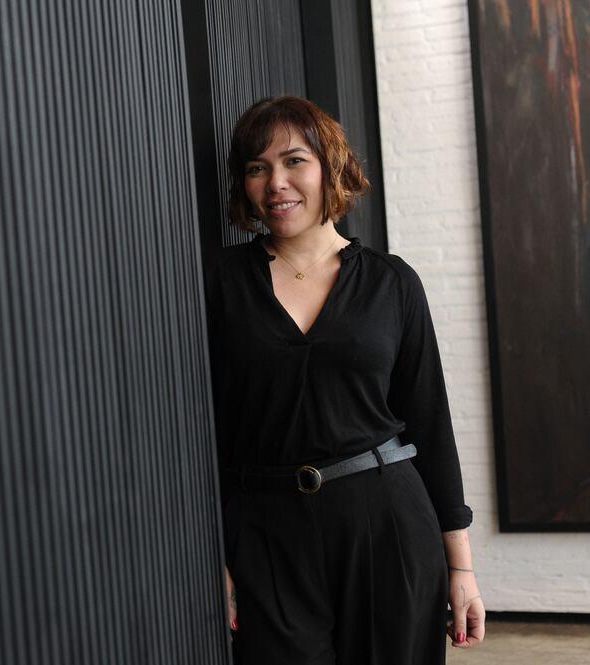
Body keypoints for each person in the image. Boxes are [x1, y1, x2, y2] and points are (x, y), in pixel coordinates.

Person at [205, 96, 485, 664]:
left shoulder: (392, 284)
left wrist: (461, 566)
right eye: (257, 168)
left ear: (330, 167)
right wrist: (216, 554)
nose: (276, 183)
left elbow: (430, 421)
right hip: (265, 532)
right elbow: (201, 427)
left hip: (385, 522)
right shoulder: (219, 284)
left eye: (293, 161)